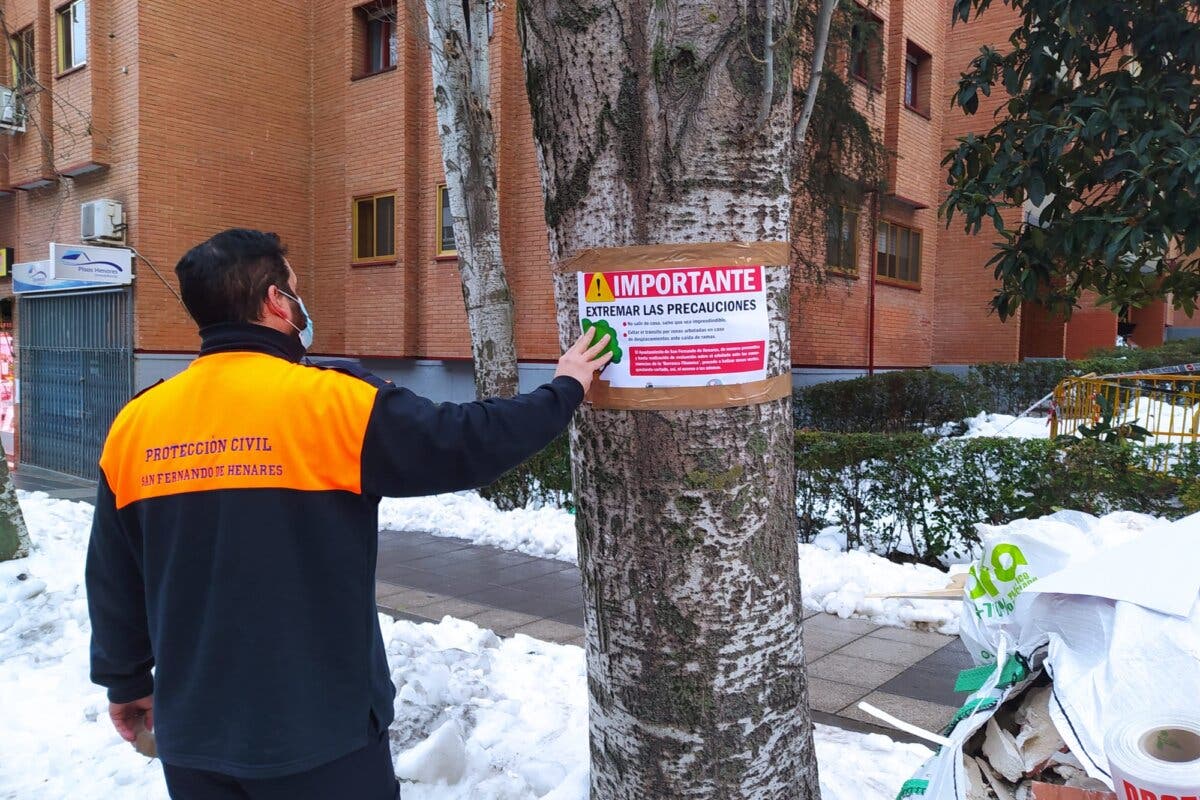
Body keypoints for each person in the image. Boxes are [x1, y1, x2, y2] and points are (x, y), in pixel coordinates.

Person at [85, 228, 611, 799]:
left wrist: (125, 680)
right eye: (295, 288)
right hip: (321, 731)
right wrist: (564, 387)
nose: (299, 303)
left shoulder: (137, 424)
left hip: (194, 737)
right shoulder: (334, 403)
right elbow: (466, 443)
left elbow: (114, 575)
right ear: (275, 303)